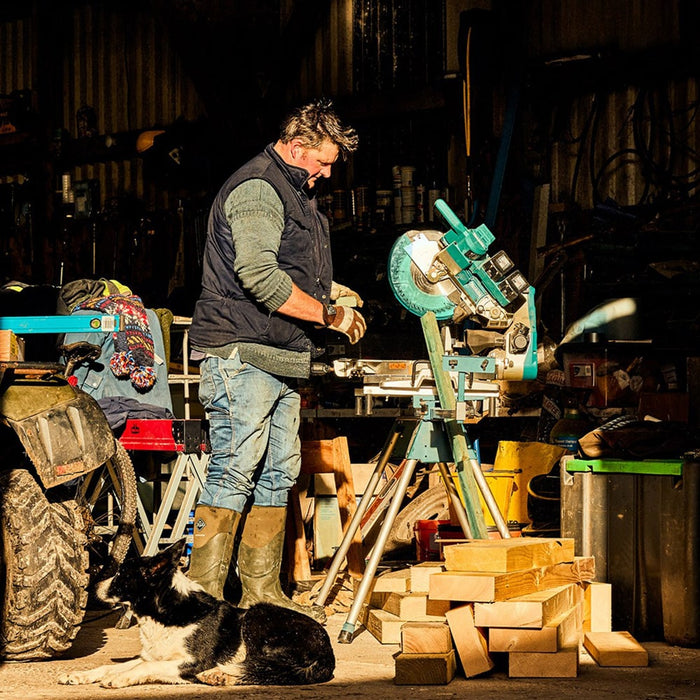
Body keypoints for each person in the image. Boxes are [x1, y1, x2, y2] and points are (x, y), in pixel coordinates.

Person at [187, 99, 366, 622]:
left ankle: (262, 594)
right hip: (241, 353)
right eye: (323, 161)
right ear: (296, 146)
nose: (328, 172)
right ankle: (202, 601)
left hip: (281, 356)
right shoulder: (259, 189)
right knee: (235, 469)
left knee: (279, 472)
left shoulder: (294, 192)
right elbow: (259, 277)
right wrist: (329, 316)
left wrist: (329, 290)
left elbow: (287, 268)